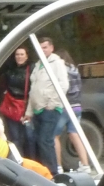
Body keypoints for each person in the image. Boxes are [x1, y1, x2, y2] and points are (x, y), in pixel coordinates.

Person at [23, 36, 69, 175]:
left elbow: (64, 85)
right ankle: (43, 172)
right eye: (40, 48)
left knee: (45, 140)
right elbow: (33, 90)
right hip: (37, 108)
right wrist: (29, 112)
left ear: (51, 48)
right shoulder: (38, 65)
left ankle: (52, 172)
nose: (42, 50)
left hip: (50, 108)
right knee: (39, 141)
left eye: (45, 47)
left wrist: (52, 103)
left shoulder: (57, 63)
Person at [55, 49, 90, 173]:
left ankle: (58, 166)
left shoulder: (61, 70)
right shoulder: (74, 70)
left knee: (54, 136)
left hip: (65, 106)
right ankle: (85, 165)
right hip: (77, 107)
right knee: (74, 134)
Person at [0, 45, 32, 153]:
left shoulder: (31, 69)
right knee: (15, 136)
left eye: (22, 54)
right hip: (11, 105)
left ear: (27, 56)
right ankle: (19, 159)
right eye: (17, 54)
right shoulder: (9, 69)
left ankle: (30, 158)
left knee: (29, 137)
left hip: (26, 106)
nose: (19, 57)